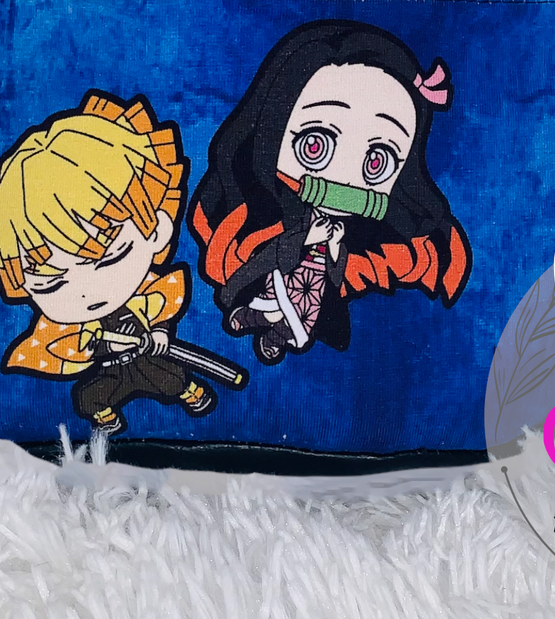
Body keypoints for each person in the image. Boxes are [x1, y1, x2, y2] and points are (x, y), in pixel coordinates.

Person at [190, 21, 471, 365]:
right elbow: (253, 262)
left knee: (300, 320)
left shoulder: (381, 254)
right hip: (276, 275)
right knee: (272, 302)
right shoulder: (243, 224)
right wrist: (306, 239)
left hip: (315, 295)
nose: (345, 180)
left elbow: (339, 278)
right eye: (315, 144)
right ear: (269, 132)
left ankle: (276, 336)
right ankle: (254, 318)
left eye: (377, 161)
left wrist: (335, 247)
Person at [0, 92, 216, 437]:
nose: (86, 294)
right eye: (49, 284)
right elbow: (72, 348)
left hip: (146, 358)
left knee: (168, 377)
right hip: (109, 369)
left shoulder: (149, 297)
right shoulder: (62, 332)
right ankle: (105, 418)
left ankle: (190, 392)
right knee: (89, 396)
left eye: (111, 257)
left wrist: (161, 333)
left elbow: (161, 310)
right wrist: (101, 345)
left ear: (157, 231)